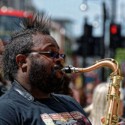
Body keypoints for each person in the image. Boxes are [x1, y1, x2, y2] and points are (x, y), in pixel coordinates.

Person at [0, 15, 92, 125]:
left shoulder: (70, 102)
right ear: (22, 61)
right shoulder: (6, 110)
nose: (59, 59)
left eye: (59, 54)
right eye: (51, 53)